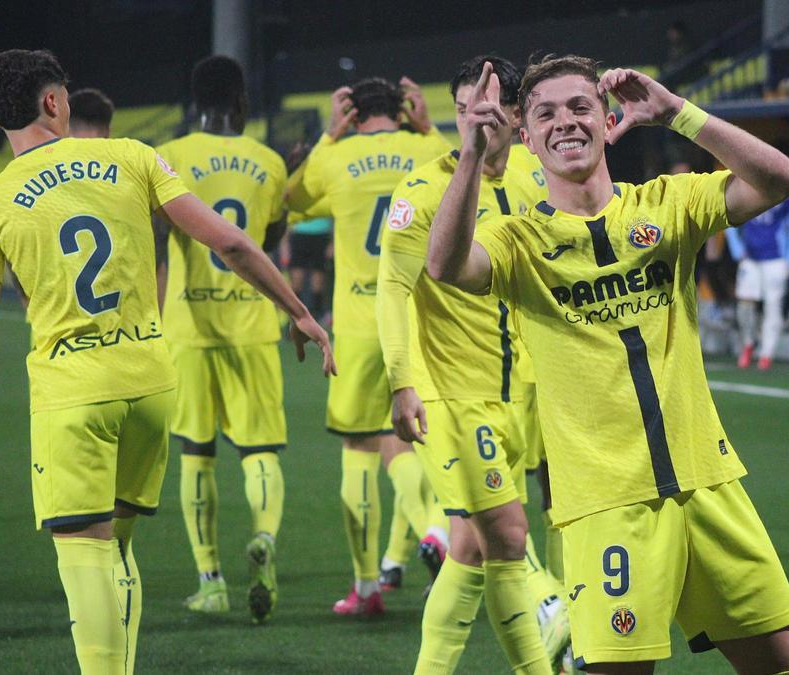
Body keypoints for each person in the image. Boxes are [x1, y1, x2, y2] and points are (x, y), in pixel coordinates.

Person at [427, 56, 789, 674]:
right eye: (544, 114)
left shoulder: (667, 205)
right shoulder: (516, 241)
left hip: (709, 483)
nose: (565, 123)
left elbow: (780, 178)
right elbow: (445, 266)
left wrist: (677, 114)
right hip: (606, 506)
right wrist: (471, 153)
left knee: (782, 667)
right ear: (524, 137)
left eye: (580, 107)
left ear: (608, 121)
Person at [0, 48, 333, 675]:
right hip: (148, 383)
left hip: (72, 392)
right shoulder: (134, 157)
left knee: (84, 555)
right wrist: (298, 310)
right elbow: (229, 241)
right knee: (119, 549)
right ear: (52, 101)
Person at [379, 55, 568, 674]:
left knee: (470, 548)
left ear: (515, 116)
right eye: (462, 112)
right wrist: (402, 381)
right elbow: (393, 290)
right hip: (453, 397)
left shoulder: (538, 180)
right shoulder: (422, 190)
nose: (472, 123)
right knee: (511, 539)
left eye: (485, 111)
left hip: (524, 394)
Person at [286, 76, 451, 615]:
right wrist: (428, 125)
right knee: (412, 441)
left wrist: (329, 138)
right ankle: (435, 525)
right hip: (421, 320)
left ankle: (366, 588)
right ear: (403, 111)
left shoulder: (334, 158)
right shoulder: (429, 149)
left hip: (358, 325)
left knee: (360, 451)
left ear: (353, 114)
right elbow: (474, 172)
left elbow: (291, 200)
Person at [154, 55, 291, 623]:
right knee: (259, 450)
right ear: (241, 102)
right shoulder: (270, 161)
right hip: (254, 326)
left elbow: (158, 242)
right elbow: (270, 238)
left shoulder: (170, 158)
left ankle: (211, 581)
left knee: (197, 453)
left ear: (195, 102)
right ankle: (263, 539)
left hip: (188, 326)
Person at [725, 194, 789, 369]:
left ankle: (766, 354)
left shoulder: (785, 195)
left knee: (773, 307)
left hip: (776, 259)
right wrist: (737, 248)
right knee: (744, 305)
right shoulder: (748, 189)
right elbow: (728, 218)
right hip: (750, 258)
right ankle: (748, 343)